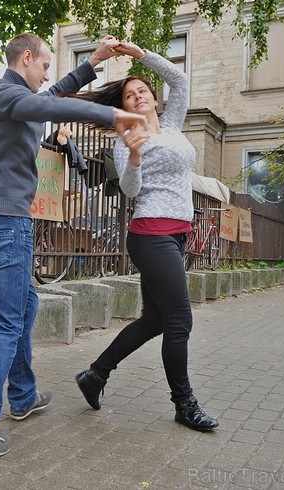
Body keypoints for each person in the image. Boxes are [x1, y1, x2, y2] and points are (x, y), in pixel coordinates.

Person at [0, 33, 147, 462]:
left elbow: (55, 93)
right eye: (44, 65)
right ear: (26, 58)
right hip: (6, 222)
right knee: (7, 327)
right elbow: (54, 104)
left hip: (1, 220)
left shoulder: (16, 101)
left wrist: (94, 61)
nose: (47, 75)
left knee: (26, 306)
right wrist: (115, 114)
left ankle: (23, 396)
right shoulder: (3, 96)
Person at [72, 41, 219, 431]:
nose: (138, 96)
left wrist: (140, 55)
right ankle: (184, 404)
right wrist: (134, 157)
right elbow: (132, 191)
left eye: (143, 91)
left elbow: (180, 78)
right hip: (150, 232)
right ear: (125, 107)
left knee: (155, 320)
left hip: (176, 233)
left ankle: (95, 375)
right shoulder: (126, 140)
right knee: (179, 322)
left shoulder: (172, 124)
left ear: (154, 99)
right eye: (129, 95)